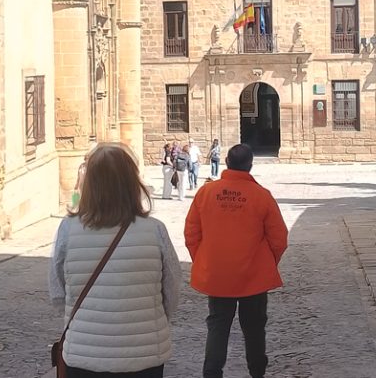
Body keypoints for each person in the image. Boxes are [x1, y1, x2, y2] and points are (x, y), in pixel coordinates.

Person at [49, 143, 182, 378]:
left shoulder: (68, 230)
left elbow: (58, 293)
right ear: (132, 183)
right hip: (145, 354)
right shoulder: (155, 231)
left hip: (84, 354)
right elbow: (171, 292)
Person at [184, 144, 288, 378]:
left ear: (227, 163)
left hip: (217, 274)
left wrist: (204, 260)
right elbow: (279, 238)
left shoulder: (206, 193)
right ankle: (257, 372)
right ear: (250, 165)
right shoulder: (262, 196)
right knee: (254, 329)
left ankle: (211, 372)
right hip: (253, 275)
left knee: (218, 326)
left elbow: (191, 233)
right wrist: (266, 263)